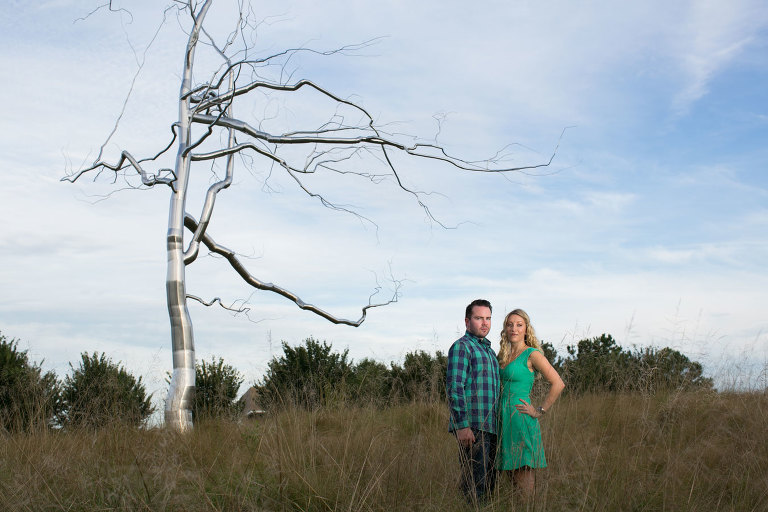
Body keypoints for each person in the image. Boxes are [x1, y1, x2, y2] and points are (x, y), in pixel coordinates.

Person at [495, 309, 564, 501]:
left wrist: (539, 410)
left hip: (521, 420)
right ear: (505, 329)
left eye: (519, 324)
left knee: (524, 480)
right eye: (510, 324)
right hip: (504, 422)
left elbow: (558, 383)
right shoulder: (504, 356)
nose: (514, 328)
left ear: (526, 329)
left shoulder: (532, 354)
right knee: (513, 483)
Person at [446, 299, 500, 503]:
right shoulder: (462, 347)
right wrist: (462, 426)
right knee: (475, 487)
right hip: (473, 427)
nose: (484, 323)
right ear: (467, 321)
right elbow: (454, 388)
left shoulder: (490, 352)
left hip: (492, 427)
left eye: (488, 318)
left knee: (489, 485)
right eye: (479, 318)